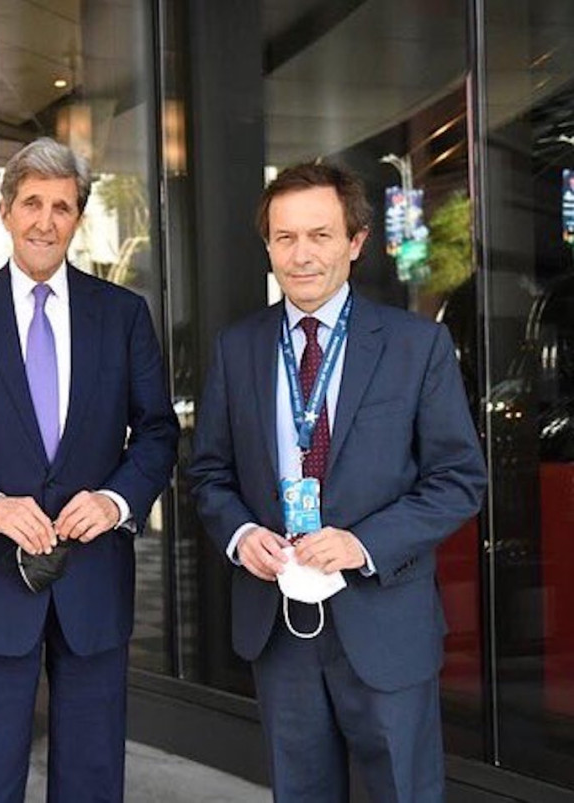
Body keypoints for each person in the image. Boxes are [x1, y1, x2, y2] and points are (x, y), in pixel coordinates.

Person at [188, 162, 487, 802]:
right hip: (280, 625)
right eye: (285, 237)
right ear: (267, 245)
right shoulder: (236, 348)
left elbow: (459, 479)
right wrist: (241, 535)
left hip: (385, 620)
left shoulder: (416, 346)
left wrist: (363, 544)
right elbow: (209, 472)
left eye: (320, 236)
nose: (301, 255)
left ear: (355, 242)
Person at [0, 137, 179, 802]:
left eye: (62, 206)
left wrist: (115, 499)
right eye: (32, 203)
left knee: (91, 777)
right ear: (4, 211)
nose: (45, 220)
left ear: (77, 217)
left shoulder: (123, 315)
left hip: (93, 581)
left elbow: (158, 431)